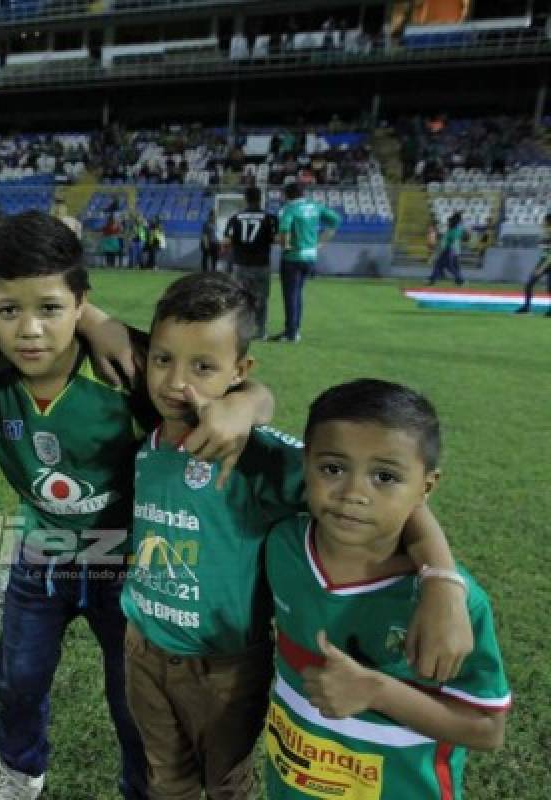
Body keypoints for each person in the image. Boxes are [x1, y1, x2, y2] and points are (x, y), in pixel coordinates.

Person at [122, 275, 471, 800]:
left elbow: (374, 501)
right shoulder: (144, 439)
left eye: (203, 367)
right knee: (165, 778)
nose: (177, 383)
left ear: (239, 373)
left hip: (224, 666)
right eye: (163, 360)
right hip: (143, 650)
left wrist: (442, 579)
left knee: (225, 785)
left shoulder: (257, 454)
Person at [0, 213, 276, 800]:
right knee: (18, 679)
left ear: (80, 303)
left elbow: (231, 389)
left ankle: (142, 788)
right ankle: (20, 773)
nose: (31, 330)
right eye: (9, 312)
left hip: (131, 563)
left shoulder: (131, 367)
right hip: (43, 552)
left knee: (131, 698)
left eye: (52, 309)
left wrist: (250, 402)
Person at [264, 379, 509, 799]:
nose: (353, 494)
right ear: (306, 464)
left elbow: (487, 730)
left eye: (385, 476)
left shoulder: (453, 604)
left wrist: (377, 690)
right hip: (292, 781)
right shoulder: (283, 544)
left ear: (425, 488)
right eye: (333, 468)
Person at [270, 182, 340, 342]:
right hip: (310, 256)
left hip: (293, 256)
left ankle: (291, 333)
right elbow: (335, 220)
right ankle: (295, 329)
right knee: (298, 294)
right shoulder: (315, 206)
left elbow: (285, 229)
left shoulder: (289, 209)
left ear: (288, 195)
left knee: (290, 295)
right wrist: (321, 242)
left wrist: (285, 245)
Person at [224, 186, 279, 339]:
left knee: (239, 298)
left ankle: (240, 330)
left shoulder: (235, 218)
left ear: (245, 199)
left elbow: (226, 240)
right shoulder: (270, 218)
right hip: (261, 264)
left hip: (240, 263)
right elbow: (275, 239)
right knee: (261, 298)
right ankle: (260, 331)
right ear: (260, 199)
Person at [515, 212, 551, 316]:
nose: (542, 223)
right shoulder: (546, 233)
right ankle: (526, 307)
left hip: (547, 261)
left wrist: (542, 267)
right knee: (531, 284)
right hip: (544, 260)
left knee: (532, 284)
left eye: (544, 221)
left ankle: (527, 307)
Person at [427, 211, 468, 287]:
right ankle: (458, 279)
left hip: (448, 250)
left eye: (449, 222)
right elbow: (462, 236)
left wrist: (442, 246)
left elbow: (447, 241)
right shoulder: (459, 229)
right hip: (455, 251)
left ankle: (459, 279)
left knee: (445, 265)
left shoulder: (452, 230)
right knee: (446, 265)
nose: (448, 223)